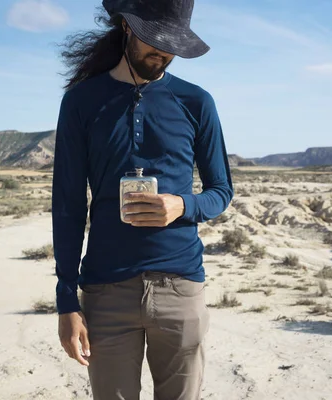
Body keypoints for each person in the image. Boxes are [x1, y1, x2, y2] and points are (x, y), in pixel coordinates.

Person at [52, 0, 233, 398]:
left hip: (180, 287)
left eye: (172, 43)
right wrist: (67, 300)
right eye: (154, 40)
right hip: (106, 292)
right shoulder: (82, 101)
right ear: (128, 29)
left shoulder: (197, 102)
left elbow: (222, 192)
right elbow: (67, 206)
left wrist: (181, 205)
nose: (164, 52)